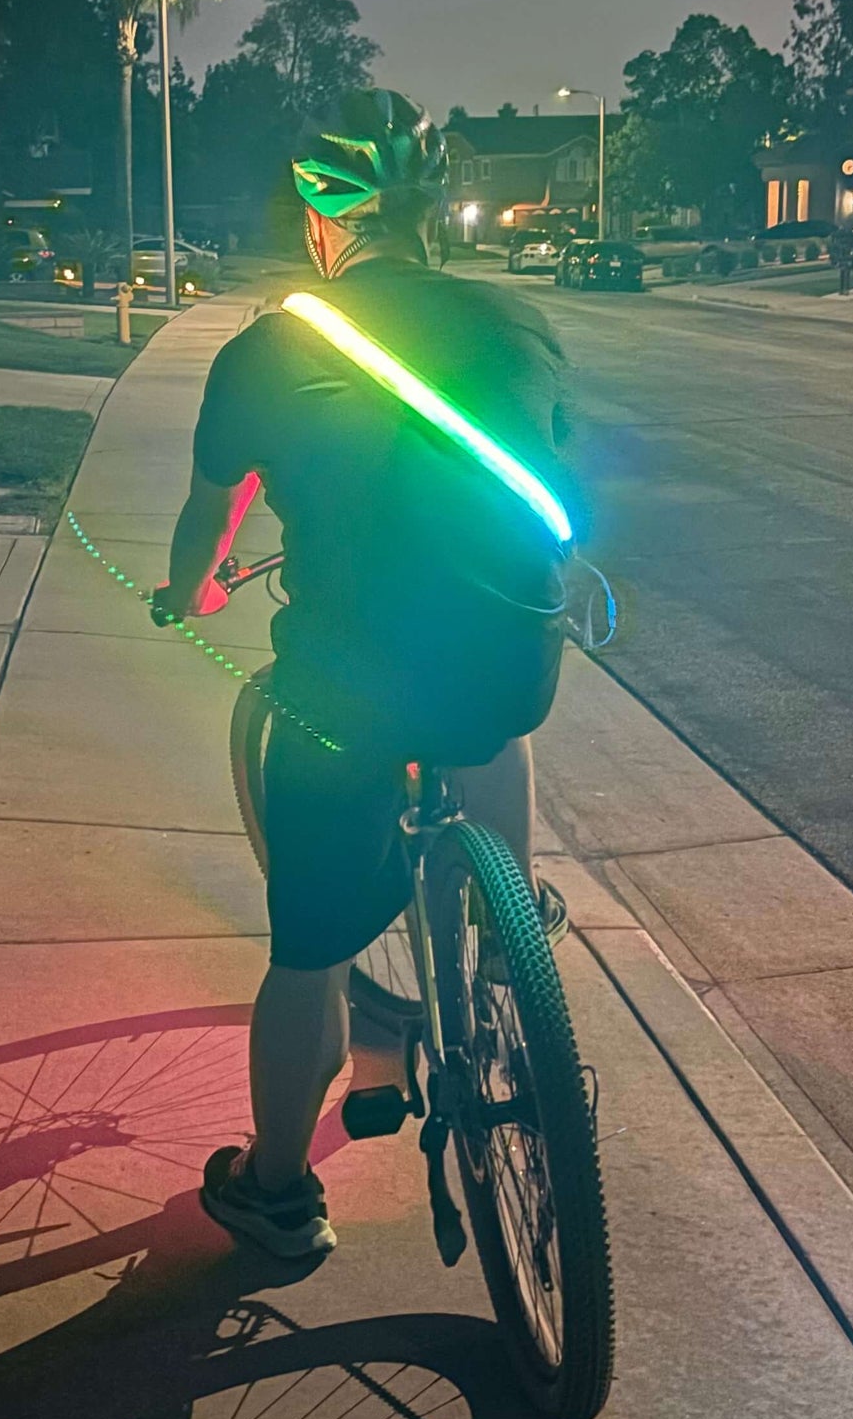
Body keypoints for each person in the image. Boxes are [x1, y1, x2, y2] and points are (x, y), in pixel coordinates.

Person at [154, 89, 573, 1261]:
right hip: (504, 663)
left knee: (310, 951)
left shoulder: (269, 347)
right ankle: (507, 927)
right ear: (434, 215)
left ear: (321, 222)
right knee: (484, 725)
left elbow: (211, 514)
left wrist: (189, 591)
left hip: (344, 688)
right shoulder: (517, 324)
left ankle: (278, 1193)